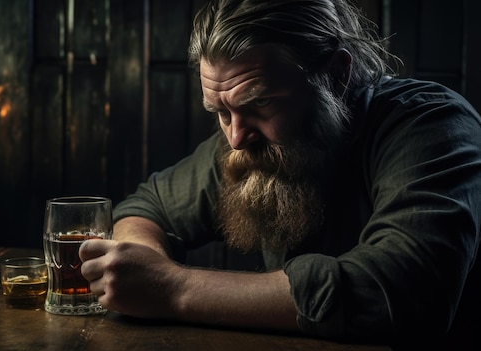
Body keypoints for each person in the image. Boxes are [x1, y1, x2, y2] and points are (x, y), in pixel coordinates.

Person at [79, 0, 481, 348]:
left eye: (262, 103)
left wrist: (170, 289)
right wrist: (141, 269)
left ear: (336, 76)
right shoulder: (253, 143)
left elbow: (400, 291)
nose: (235, 138)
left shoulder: (432, 126)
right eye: (220, 112)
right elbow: (148, 206)